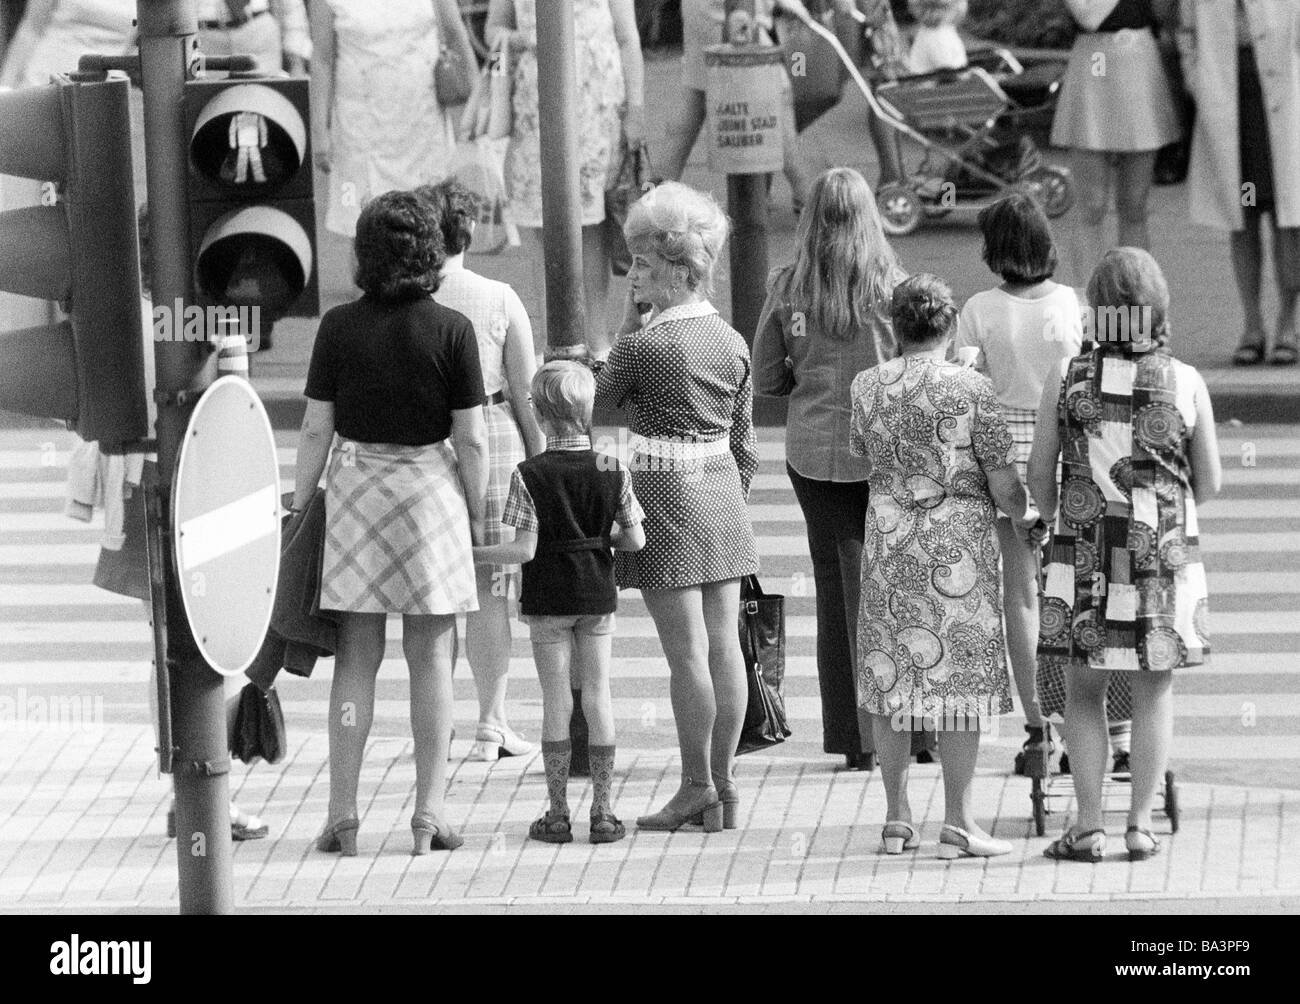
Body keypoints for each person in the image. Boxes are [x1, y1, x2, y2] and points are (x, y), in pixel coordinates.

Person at [294, 191, 489, 856]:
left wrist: (300, 503)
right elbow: (472, 439)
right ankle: (430, 812)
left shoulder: (338, 328)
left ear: (364, 255)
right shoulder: (454, 330)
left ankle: (343, 812)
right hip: (431, 493)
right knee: (432, 660)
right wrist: (480, 507)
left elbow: (317, 423)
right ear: (431, 253)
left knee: (357, 661)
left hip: (356, 493)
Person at [1031, 248, 1220, 863]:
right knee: (1153, 688)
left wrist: (1061, 504)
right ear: (1155, 308)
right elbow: (1209, 481)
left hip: (1085, 547)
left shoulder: (1068, 376)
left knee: (1084, 690)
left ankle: (1087, 827)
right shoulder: (1184, 380)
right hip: (1159, 553)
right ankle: (1140, 825)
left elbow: (1039, 478)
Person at [850, 274, 1043, 860]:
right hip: (958, 547)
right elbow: (1002, 478)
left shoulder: (867, 386)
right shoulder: (973, 390)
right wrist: (1027, 513)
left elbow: (863, 452)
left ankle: (895, 816)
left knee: (891, 680)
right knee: (958, 689)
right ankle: (958, 818)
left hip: (888, 543)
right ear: (950, 323)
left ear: (896, 326)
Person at [594, 181, 758, 833]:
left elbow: (600, 418)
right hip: (721, 491)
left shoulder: (641, 347)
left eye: (639, 263)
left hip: (662, 496)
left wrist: (625, 327)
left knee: (685, 654)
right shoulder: (731, 340)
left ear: (667, 269)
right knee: (725, 648)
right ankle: (724, 785)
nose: (633, 273)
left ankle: (694, 786)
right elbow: (745, 445)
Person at [753, 167, 903, 771]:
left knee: (837, 593)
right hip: (886, 456)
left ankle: (854, 737)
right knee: (895, 591)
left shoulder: (788, 287)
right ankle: (907, 731)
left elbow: (765, 378)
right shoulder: (894, 288)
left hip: (813, 454)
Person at [473, 362, 646, 845]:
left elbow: (523, 550)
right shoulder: (612, 465)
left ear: (542, 416)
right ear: (587, 412)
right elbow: (634, 538)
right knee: (597, 695)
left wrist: (472, 554)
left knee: (556, 699)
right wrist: (595, 537)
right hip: (596, 595)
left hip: (548, 596)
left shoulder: (529, 473)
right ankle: (605, 812)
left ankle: (556, 813)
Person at [954, 192, 1083, 774]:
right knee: (1074, 591)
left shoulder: (979, 308)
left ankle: (1038, 731)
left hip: (1005, 452)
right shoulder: (1072, 304)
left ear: (994, 250)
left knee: (1020, 596)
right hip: (1066, 450)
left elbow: (963, 382)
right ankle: (1090, 720)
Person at [419, 180, 546, 763]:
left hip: (428, 441)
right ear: (468, 233)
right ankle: (492, 722)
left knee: (437, 596)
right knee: (493, 591)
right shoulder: (498, 297)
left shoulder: (410, 299)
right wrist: (540, 458)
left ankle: (436, 722)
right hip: (494, 435)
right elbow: (526, 394)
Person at [484, 0, 645, 357]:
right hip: (535, 102)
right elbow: (492, 32)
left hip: (597, 105)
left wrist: (636, 107)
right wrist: (519, 40)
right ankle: (552, 338)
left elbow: (627, 37)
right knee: (542, 222)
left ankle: (597, 339)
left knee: (592, 226)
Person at [1178, 0, 1300, 366]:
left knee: (1287, 217)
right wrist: (1197, 79)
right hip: (1232, 102)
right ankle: (1252, 323)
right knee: (1245, 211)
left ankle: (1287, 321)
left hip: (1283, 99)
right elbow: (1187, 33)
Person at [310, 0, 476, 238]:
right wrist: (319, 131)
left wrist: (481, 100)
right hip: (360, 131)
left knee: (431, 226)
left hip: (423, 125)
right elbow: (322, 60)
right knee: (366, 230)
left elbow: (456, 34)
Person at [1050, 0, 1182, 284]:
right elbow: (1087, 15)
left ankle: (1133, 297)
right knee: (1092, 207)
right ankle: (1090, 302)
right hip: (1093, 62)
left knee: (1134, 205)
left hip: (1139, 61)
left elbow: (1166, 14)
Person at [657, 0, 812, 211]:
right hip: (731, 21)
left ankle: (652, 193)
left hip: (704, 19)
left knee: (692, 109)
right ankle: (806, 198)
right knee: (775, 103)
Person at [906, 0, 968, 73]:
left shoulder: (932, 31)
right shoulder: (938, 36)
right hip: (941, 82)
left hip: (936, 79)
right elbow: (949, 72)